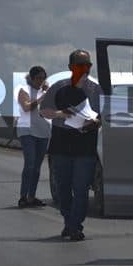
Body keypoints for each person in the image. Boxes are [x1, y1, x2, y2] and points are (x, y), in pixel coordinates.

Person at [40, 49, 101, 241]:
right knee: (63, 189)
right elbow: (44, 111)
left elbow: (104, 115)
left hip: (85, 146)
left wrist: (95, 122)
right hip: (61, 145)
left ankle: (75, 226)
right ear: (70, 67)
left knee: (81, 188)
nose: (85, 69)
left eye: (88, 65)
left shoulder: (96, 89)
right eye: (80, 65)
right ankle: (69, 221)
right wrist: (61, 114)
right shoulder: (59, 87)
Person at [15, 66, 50, 208]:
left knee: (36, 166)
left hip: (43, 131)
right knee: (29, 164)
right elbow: (26, 107)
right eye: (38, 78)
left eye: (43, 78)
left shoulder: (46, 90)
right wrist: (41, 98)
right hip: (27, 130)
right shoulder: (24, 90)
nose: (40, 81)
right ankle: (23, 196)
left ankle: (31, 196)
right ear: (32, 78)